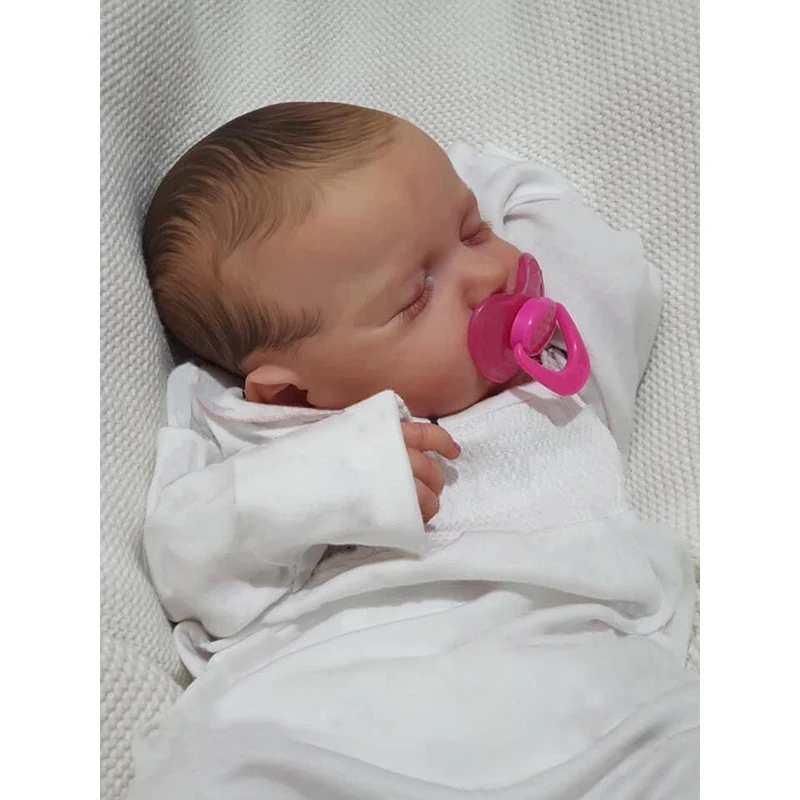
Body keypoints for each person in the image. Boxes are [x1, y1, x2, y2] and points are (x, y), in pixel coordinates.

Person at [131, 101, 698, 798]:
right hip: (326, 716)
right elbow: (184, 557)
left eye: (473, 229)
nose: (486, 275)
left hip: (584, 696)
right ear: (293, 391)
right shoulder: (262, 428)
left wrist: (443, 184)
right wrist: (332, 481)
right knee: (215, 771)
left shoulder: (556, 372)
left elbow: (612, 272)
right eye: (415, 297)